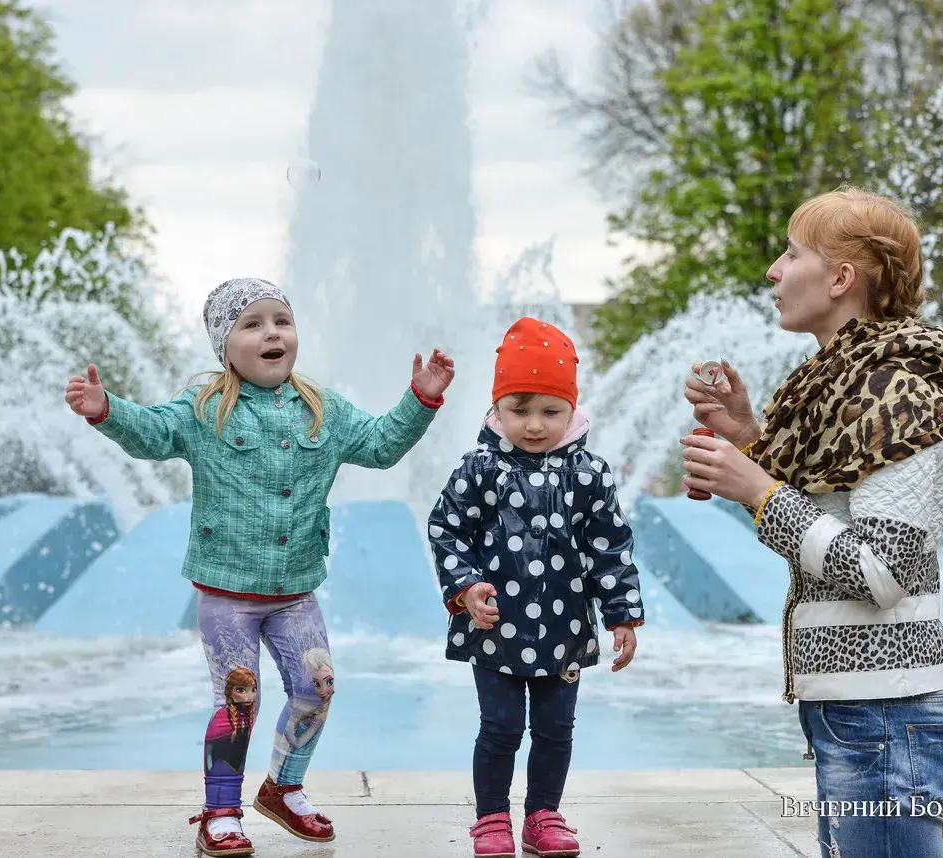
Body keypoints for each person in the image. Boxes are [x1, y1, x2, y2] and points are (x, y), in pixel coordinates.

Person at [64, 277, 454, 856]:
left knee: (317, 689)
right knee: (238, 699)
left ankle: (283, 788)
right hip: (227, 593)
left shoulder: (324, 407)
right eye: (252, 324)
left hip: (295, 592)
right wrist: (107, 411)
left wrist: (419, 401)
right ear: (225, 346)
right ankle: (220, 811)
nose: (271, 332)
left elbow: (380, 447)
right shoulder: (202, 410)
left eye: (281, 321)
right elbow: (151, 433)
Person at [680, 187, 943, 858]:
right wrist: (751, 441)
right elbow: (826, 513)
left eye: (791, 254)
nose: (773, 272)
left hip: (890, 715)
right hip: (863, 713)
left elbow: (881, 572)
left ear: (841, 278)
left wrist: (758, 490)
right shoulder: (839, 383)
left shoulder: (897, 391)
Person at [428, 317, 645, 858]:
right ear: (496, 408)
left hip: (566, 627)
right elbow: (446, 527)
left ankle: (544, 813)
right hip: (494, 626)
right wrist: (466, 587)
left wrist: (621, 612)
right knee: (500, 727)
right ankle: (492, 818)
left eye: (551, 411)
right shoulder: (481, 467)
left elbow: (609, 545)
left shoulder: (589, 472)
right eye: (518, 409)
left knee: (555, 729)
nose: (534, 425)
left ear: (572, 409)